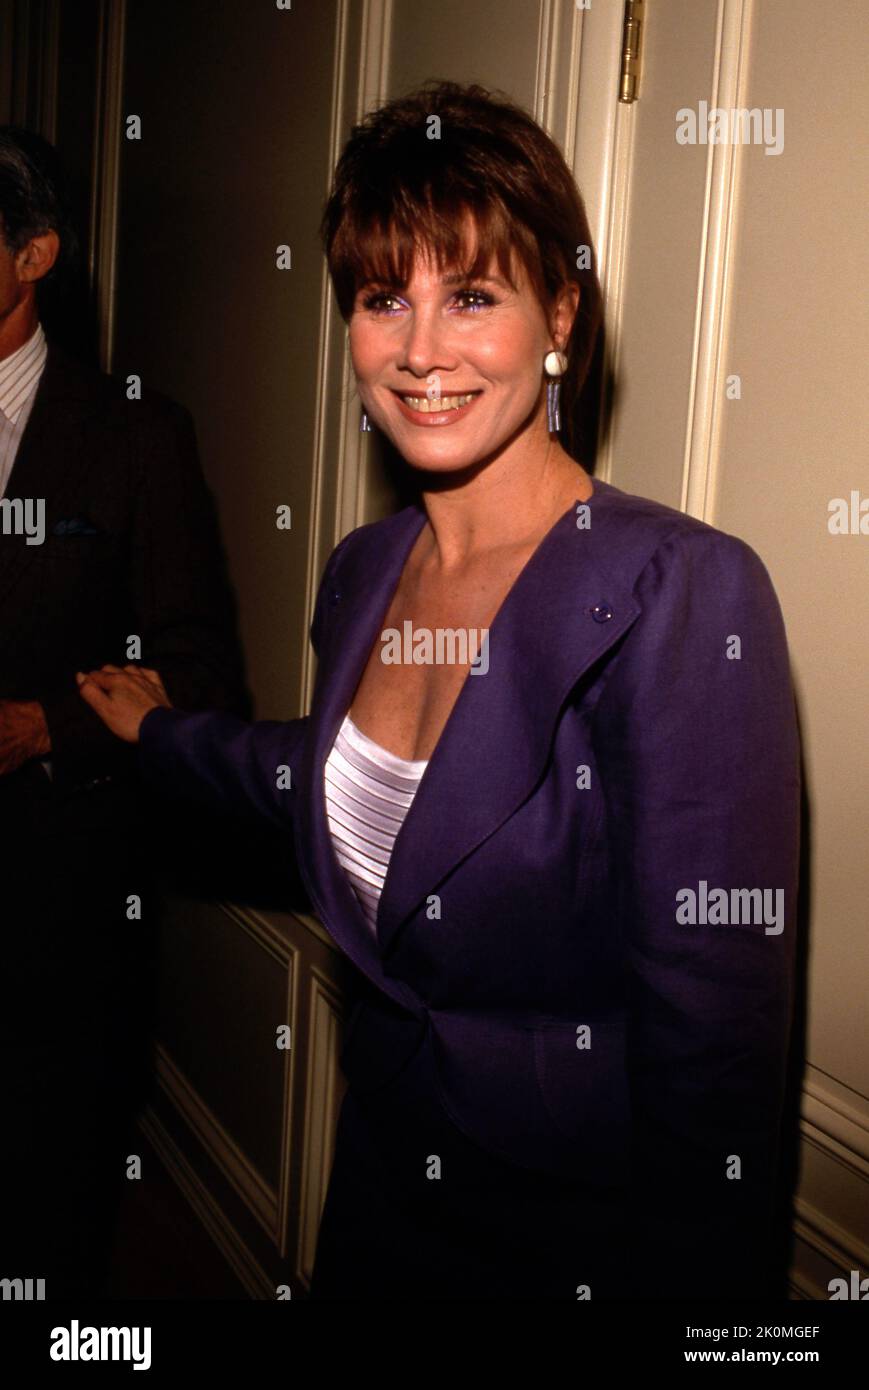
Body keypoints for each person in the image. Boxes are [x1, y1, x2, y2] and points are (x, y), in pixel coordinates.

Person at [77, 81, 800, 1301]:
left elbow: (713, 1051)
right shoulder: (364, 571)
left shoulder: (682, 590)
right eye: (380, 300)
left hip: (578, 1237)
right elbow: (329, 772)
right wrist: (158, 730)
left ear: (557, 312)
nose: (418, 351)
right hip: (377, 1182)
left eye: (470, 296)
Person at [0, 125, 247, 1298]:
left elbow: (200, 675)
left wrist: (47, 726)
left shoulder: (138, 440)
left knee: (45, 1205)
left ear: (33, 252)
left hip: (55, 903)